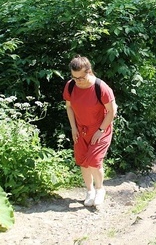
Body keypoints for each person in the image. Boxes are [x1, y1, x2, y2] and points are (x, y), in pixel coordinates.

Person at [63, 55, 117, 207]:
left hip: (101, 129)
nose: (78, 81)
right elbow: (69, 107)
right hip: (80, 130)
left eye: (81, 77)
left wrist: (101, 130)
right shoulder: (70, 86)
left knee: (94, 160)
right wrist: (73, 128)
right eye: (74, 77)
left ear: (89, 71)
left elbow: (112, 111)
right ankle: (89, 191)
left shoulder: (101, 87)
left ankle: (100, 189)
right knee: (82, 161)